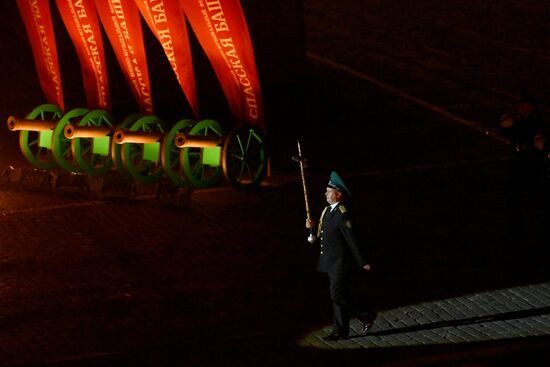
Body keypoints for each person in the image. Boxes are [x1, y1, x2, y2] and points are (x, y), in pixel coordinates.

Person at [305, 171, 376, 341]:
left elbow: (352, 239)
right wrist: (311, 229)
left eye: (329, 191)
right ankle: (340, 330)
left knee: (337, 295)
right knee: (338, 297)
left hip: (340, 262)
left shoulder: (342, 215)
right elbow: (319, 237)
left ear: (338, 194)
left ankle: (365, 315)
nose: (325, 193)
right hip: (330, 262)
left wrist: (362, 261)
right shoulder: (327, 212)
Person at [499, 89, 546, 242]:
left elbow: (527, 134)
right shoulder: (525, 119)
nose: (519, 107)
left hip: (529, 165)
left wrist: (510, 126)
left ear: (529, 106)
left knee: (529, 198)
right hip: (522, 164)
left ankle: (522, 231)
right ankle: (520, 229)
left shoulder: (535, 120)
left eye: (522, 104)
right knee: (521, 197)